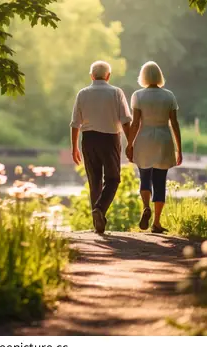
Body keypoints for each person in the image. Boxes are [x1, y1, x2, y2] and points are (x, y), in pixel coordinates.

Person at [70, 60, 132, 234]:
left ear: (91, 76)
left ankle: (97, 221)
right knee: (113, 179)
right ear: (108, 76)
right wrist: (130, 144)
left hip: (88, 140)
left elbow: (75, 124)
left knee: (94, 181)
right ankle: (100, 209)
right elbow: (126, 121)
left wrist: (74, 147)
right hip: (110, 139)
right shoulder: (116, 93)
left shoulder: (82, 94)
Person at [125, 61, 183, 233]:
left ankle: (145, 206)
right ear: (159, 76)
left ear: (143, 76)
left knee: (144, 176)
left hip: (144, 139)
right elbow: (174, 123)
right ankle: (156, 222)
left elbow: (135, 123)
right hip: (164, 138)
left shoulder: (137, 95)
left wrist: (130, 144)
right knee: (160, 180)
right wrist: (179, 148)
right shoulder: (169, 96)